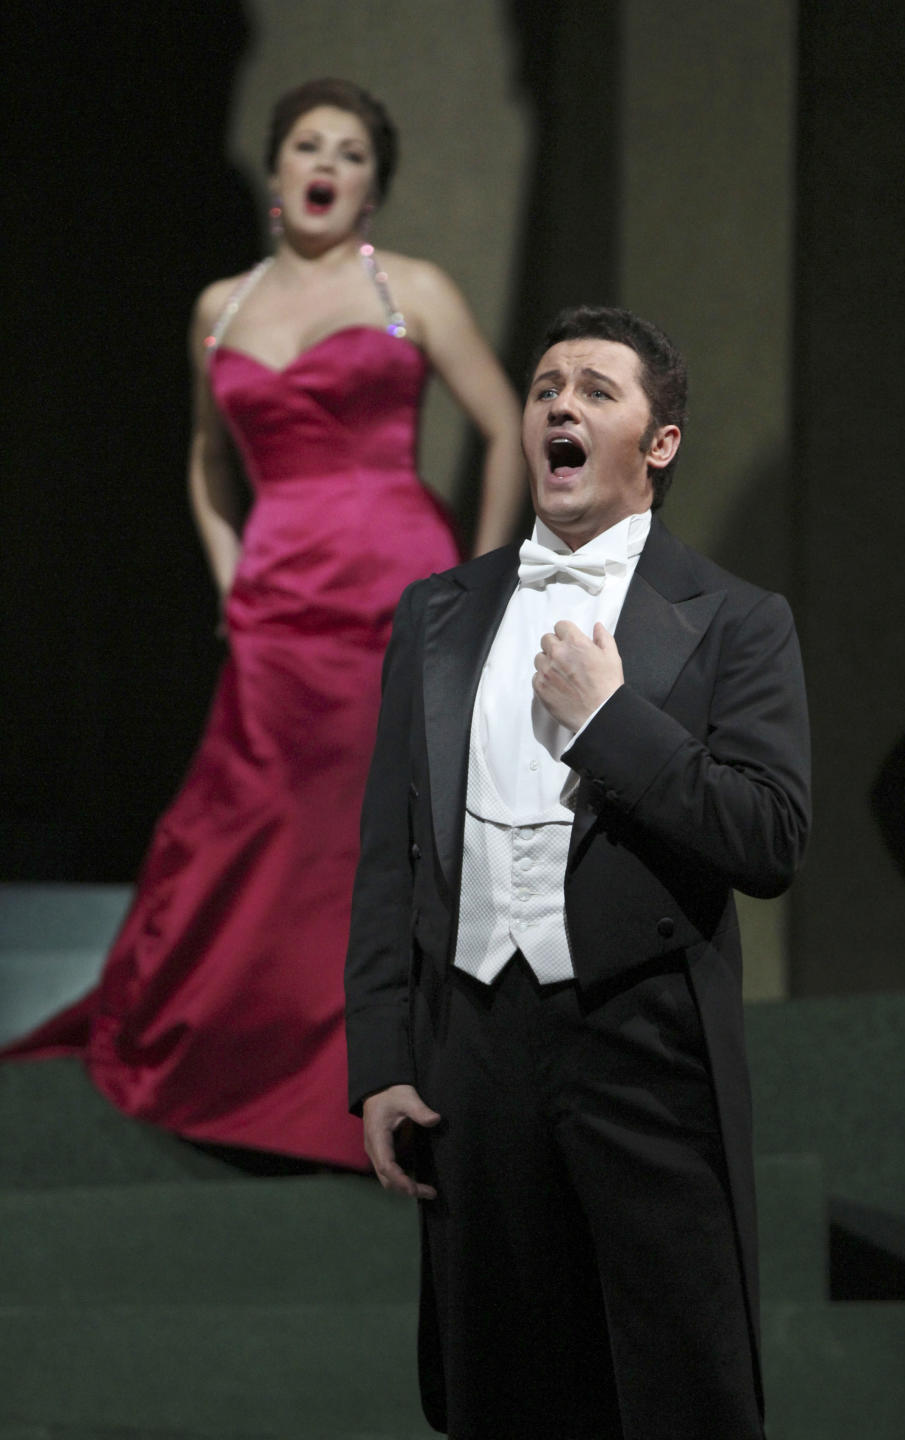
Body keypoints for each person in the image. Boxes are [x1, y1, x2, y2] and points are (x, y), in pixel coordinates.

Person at [4, 78, 525, 1168]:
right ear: (281, 173)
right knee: (263, 825)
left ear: (372, 186)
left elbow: (507, 427)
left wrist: (482, 582)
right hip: (276, 603)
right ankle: (253, 1058)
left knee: (374, 826)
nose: (325, 162)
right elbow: (205, 464)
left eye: (349, 150)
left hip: (395, 584)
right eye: (306, 144)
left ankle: (385, 1064)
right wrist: (229, 572)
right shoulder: (221, 306)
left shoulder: (411, 289)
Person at [345, 305, 812, 1438]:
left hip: (642, 1050)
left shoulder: (737, 622)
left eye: (597, 390)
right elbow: (389, 853)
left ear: (660, 443)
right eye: (547, 386)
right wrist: (382, 1055)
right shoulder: (439, 616)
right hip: (475, 1053)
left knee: (674, 1386)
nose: (561, 403)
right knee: (498, 1385)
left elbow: (768, 836)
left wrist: (611, 719)